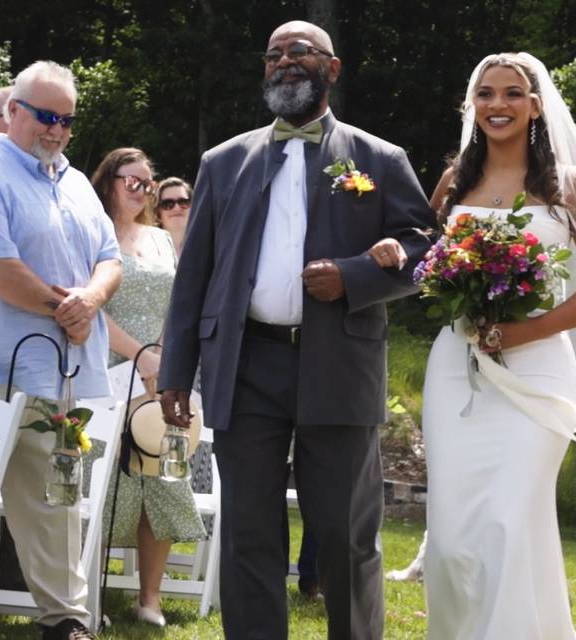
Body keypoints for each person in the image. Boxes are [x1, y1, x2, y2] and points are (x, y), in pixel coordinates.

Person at [158, 20, 436, 640]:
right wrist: (176, 371)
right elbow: (193, 276)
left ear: (331, 69)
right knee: (249, 533)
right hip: (245, 365)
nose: (285, 61)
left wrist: (356, 275)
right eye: (274, 54)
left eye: (300, 52)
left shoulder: (379, 159)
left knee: (343, 532)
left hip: (339, 364)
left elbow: (426, 251)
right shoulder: (223, 162)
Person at [414, 52, 576, 639]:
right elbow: (419, 260)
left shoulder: (567, 186)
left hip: (536, 371)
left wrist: (526, 330)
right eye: (486, 94)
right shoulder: (455, 182)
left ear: (536, 105)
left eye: (512, 93)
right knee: (455, 538)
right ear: (471, 105)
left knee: (507, 523)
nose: (498, 105)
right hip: (458, 368)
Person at [0, 60, 120, 640]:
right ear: (12, 113)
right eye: (45, 117)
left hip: (55, 375)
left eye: (67, 120)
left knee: (55, 505)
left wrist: (92, 297)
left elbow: (111, 258)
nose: (56, 130)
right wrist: (70, 309)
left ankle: (65, 622)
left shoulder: (78, 182)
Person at [90, 149, 206, 627]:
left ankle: (149, 598)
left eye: (148, 184)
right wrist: (140, 355)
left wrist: (165, 361)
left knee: (160, 473)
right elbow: (94, 307)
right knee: (101, 478)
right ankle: (89, 592)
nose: (142, 191)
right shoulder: (92, 231)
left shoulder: (161, 239)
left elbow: (179, 301)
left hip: (161, 370)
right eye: (132, 181)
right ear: (109, 181)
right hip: (110, 363)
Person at [153, 176, 192, 256]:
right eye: (168, 204)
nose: (177, 208)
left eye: (183, 202)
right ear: (158, 211)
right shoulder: (147, 248)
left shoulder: (209, 246)